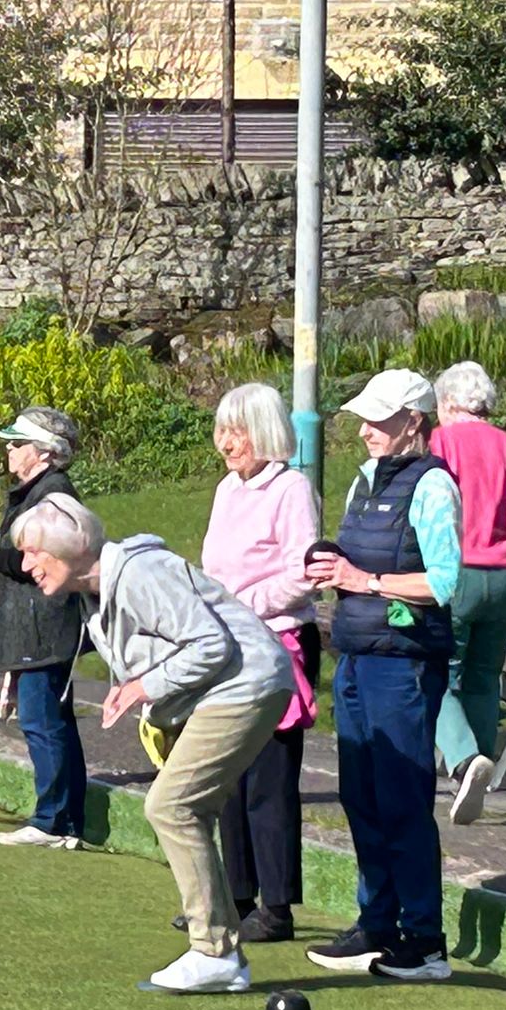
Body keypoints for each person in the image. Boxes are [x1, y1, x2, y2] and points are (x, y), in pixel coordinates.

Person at [15, 493, 296, 994]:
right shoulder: (91, 595)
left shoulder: (142, 573)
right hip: (223, 690)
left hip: (247, 682)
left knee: (170, 806)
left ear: (68, 549)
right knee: (187, 807)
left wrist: (145, 687)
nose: (26, 564)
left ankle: (215, 952)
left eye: (33, 551)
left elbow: (211, 644)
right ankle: (221, 950)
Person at [304, 368, 462, 983]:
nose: (366, 430)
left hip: (403, 662)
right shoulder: (364, 482)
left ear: (414, 422)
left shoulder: (433, 486)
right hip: (357, 655)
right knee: (360, 796)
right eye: (365, 418)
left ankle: (423, 942)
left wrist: (362, 581)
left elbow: (444, 583)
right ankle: (376, 923)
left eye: (380, 419)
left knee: (402, 798)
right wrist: (331, 567)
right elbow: (356, 562)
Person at [199, 382, 321, 943]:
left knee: (269, 782)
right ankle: (236, 897)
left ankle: (276, 908)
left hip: (276, 645)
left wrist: (243, 602)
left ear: (264, 431)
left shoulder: (291, 487)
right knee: (230, 777)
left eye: (237, 430)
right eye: (222, 430)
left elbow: (304, 571)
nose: (227, 442)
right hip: (228, 646)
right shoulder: (228, 490)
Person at [0, 406, 90, 850]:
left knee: (43, 721)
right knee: (50, 721)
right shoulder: (35, 494)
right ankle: (64, 821)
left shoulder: (54, 495)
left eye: (17, 443)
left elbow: (38, 564)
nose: (8, 451)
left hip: (44, 626)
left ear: (45, 453)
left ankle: (52, 821)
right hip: (31, 626)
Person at [430, 360, 506, 824]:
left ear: (447, 403)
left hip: (457, 572)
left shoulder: (439, 443)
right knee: (484, 675)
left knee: (437, 671)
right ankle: (474, 783)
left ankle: (464, 760)